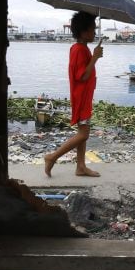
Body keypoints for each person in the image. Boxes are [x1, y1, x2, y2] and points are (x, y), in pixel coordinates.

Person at [44, 11, 103, 177]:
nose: (94, 33)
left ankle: (81, 166)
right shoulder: (79, 50)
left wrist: (93, 56)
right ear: (83, 32)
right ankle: (52, 157)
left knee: (82, 134)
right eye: (92, 29)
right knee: (84, 134)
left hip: (84, 96)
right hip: (81, 97)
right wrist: (95, 58)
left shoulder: (82, 48)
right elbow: (82, 76)